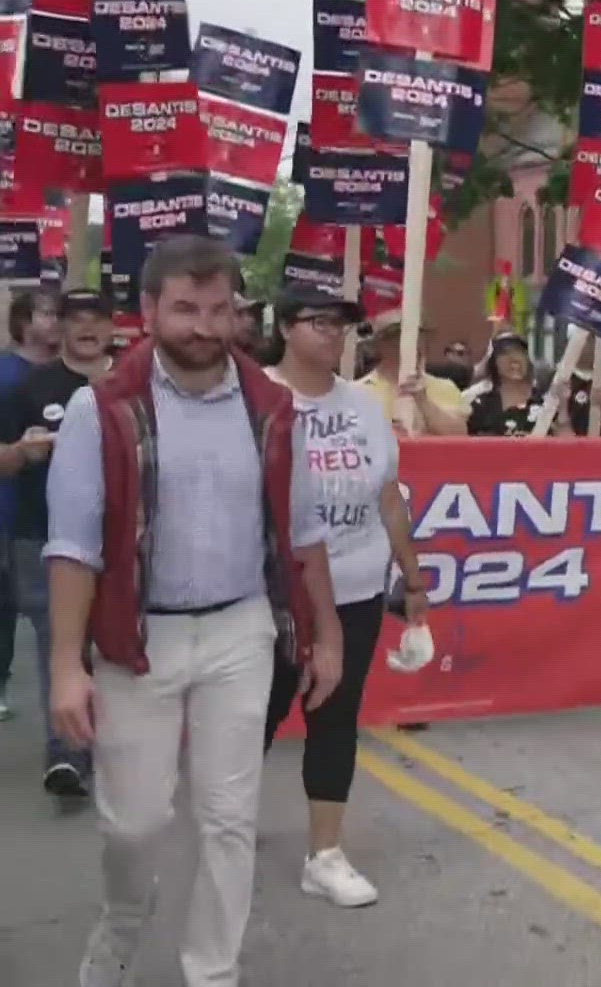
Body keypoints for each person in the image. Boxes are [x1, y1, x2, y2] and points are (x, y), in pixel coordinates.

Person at [43, 236, 346, 987]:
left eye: (219, 310)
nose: (204, 327)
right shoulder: (101, 409)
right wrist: (62, 668)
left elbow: (304, 536)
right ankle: (120, 925)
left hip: (241, 631)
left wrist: (329, 634)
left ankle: (212, 972)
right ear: (148, 312)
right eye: (185, 309)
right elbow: (73, 548)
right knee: (133, 825)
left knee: (228, 820)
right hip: (135, 640)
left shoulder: (273, 408)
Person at [259, 286, 428, 908]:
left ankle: (325, 854)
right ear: (284, 325)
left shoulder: (361, 406)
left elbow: (389, 498)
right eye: (319, 322)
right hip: (273, 595)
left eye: (343, 326)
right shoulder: (257, 397)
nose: (333, 335)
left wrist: (411, 581)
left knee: (334, 718)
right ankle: (216, 829)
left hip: (354, 593)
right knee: (258, 719)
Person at [0, 288, 108, 795]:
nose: (87, 327)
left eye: (97, 317)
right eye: (75, 317)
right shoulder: (29, 387)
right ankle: (66, 754)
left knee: (122, 645)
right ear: (59, 327)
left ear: (112, 326)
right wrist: (22, 452)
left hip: (124, 535)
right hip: (41, 533)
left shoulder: (136, 383)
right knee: (58, 644)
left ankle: (123, 746)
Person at [0, 288, 58, 722]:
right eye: (47, 313)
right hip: (7, 507)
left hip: (49, 515)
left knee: (48, 620)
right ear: (22, 321)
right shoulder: (6, 373)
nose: (57, 320)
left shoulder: (69, 376)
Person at [358, 310, 469, 436]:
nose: (409, 341)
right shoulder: (357, 392)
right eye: (395, 336)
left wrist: (424, 402)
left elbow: (459, 436)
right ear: (379, 345)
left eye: (417, 334)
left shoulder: (445, 387)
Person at [466, 333, 547, 437]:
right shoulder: (479, 405)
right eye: (504, 353)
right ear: (494, 362)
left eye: (520, 352)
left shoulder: (545, 400)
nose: (514, 359)